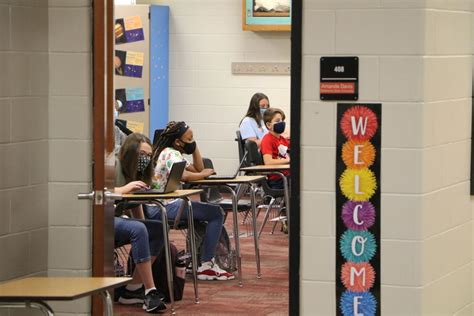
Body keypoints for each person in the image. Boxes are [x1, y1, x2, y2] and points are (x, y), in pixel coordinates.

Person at [149, 121, 235, 281]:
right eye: (189, 139)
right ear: (177, 142)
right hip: (164, 205)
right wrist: (204, 174)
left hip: (169, 203)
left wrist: (194, 147)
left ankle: (205, 261)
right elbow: (186, 176)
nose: (192, 141)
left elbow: (197, 168)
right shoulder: (170, 153)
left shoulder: (174, 153)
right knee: (216, 213)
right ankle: (206, 264)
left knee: (214, 213)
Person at [114, 133, 167, 313]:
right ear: (131, 152)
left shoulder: (137, 173)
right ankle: (150, 290)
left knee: (157, 228)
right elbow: (100, 191)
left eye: (148, 156)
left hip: (119, 220)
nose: (145, 159)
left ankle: (132, 289)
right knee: (138, 228)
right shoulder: (114, 166)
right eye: (142, 154)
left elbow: (136, 205)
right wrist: (123, 189)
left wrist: (145, 226)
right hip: (102, 219)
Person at [260, 108, 290, 190]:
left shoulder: (283, 139)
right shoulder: (267, 139)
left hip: (286, 176)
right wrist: (289, 161)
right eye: (277, 121)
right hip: (278, 179)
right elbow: (268, 162)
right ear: (269, 125)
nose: (281, 123)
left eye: (282, 120)